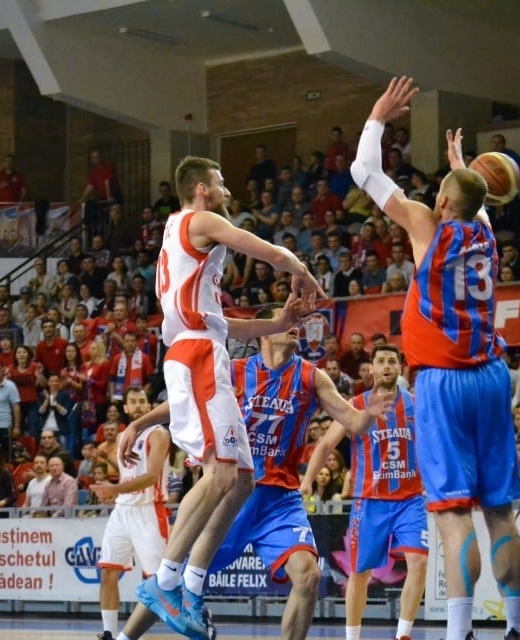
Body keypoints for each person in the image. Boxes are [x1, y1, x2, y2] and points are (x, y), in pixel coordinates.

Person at [114, 155, 322, 640]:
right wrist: (302, 272)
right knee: (221, 473)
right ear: (202, 189)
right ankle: (165, 582)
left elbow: (220, 322)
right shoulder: (201, 219)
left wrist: (276, 324)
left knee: (243, 477)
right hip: (197, 358)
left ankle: (190, 582)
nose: (228, 189)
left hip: (201, 349)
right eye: (222, 182)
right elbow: (267, 250)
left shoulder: (178, 236)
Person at [349, 77, 520, 640]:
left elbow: (365, 174)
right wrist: (463, 170)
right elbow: (476, 199)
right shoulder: (486, 235)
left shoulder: (428, 225)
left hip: (443, 382)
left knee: (451, 514)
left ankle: (459, 631)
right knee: (500, 513)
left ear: (443, 201)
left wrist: (378, 116)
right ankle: (518, 628)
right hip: (492, 376)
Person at [121, 304, 388, 640]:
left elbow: (353, 422)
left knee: (308, 577)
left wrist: (370, 412)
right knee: (170, 579)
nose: (295, 327)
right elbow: (182, 402)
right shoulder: (233, 371)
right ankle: (123, 638)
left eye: (297, 324)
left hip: (280, 501)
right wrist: (140, 423)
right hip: (230, 496)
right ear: (263, 331)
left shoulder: (311, 376)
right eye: (286, 321)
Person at [303, 344, 426, 640]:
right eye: (380, 361)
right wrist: (306, 480)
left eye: (391, 361)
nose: (386, 366)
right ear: (370, 368)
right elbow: (324, 445)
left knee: (420, 561)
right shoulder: (355, 405)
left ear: (399, 369)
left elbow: (436, 445)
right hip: (369, 502)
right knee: (359, 573)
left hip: (410, 499)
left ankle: (403, 635)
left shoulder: (416, 404)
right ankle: (352, 637)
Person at [91, 387, 170, 640]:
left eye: (141, 401)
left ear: (148, 406)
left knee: (162, 584)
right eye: (132, 401)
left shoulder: (158, 433)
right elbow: (131, 473)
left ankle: (200, 617)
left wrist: (113, 488)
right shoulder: (125, 435)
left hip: (148, 511)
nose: (137, 405)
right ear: (125, 408)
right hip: (122, 511)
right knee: (108, 573)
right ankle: (108, 633)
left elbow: (149, 477)